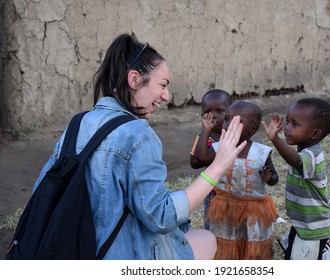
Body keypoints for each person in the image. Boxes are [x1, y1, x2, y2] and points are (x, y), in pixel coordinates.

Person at [32, 33, 247, 260]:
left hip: (70, 250)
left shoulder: (78, 124)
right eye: (162, 85)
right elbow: (161, 216)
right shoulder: (138, 134)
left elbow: (43, 191)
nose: (167, 96)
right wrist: (218, 166)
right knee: (206, 239)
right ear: (134, 79)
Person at [195, 100, 280, 259]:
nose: (227, 124)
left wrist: (269, 176)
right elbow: (200, 158)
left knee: (252, 241)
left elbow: (274, 178)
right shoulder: (221, 146)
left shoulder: (262, 152)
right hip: (225, 208)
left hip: (254, 209)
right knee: (225, 240)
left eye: (235, 122)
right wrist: (205, 130)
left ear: (252, 129)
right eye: (227, 119)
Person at [261, 97, 330, 260]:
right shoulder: (304, 151)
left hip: (313, 229)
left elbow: (295, 160)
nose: (287, 128)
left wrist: (275, 139)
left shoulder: (312, 155)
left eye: (294, 124)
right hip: (303, 224)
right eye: (287, 121)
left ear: (315, 133)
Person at [189, 89, 232, 229]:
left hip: (235, 191)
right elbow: (194, 162)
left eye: (220, 111)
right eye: (208, 112)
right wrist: (207, 134)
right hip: (213, 192)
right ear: (202, 115)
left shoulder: (234, 134)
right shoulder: (204, 136)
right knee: (213, 225)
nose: (214, 116)